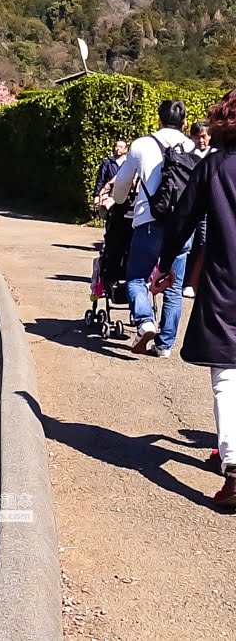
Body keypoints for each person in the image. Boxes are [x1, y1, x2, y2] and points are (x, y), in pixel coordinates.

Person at [150, 90, 236, 507]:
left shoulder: (214, 166)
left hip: (226, 281)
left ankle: (234, 468)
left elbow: (183, 216)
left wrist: (166, 263)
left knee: (227, 372)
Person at [111, 100, 196, 357]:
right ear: (184, 123)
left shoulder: (141, 144)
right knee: (173, 284)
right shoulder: (193, 147)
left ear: (158, 120)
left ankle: (145, 320)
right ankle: (164, 345)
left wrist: (118, 200)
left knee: (137, 277)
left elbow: (122, 186)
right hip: (182, 227)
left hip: (148, 222)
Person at [183, 121, 213, 299]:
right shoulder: (187, 155)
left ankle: (195, 282)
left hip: (207, 210)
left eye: (204, 136)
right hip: (190, 208)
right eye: (197, 137)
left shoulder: (215, 155)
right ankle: (183, 279)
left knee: (203, 244)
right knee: (185, 245)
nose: (201, 140)